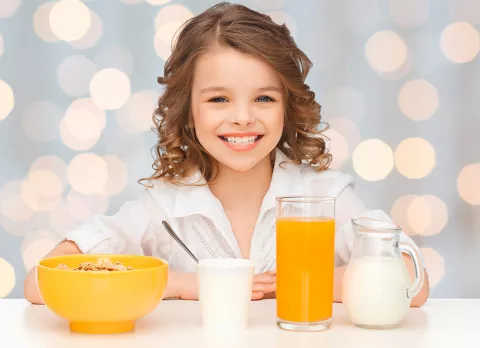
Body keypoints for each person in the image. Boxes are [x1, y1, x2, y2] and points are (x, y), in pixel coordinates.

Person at [24, 2, 429, 305]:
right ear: (188, 109)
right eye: (219, 98)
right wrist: (184, 285)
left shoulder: (326, 198)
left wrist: (310, 280)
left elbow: (414, 283)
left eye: (264, 98)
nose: (242, 117)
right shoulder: (162, 208)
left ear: (288, 106)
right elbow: (41, 282)